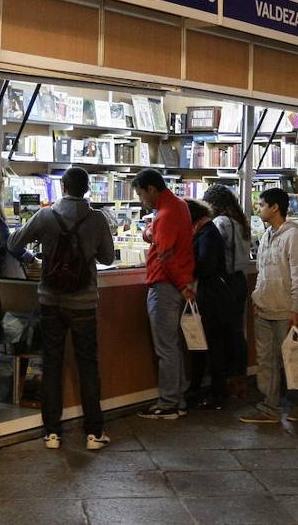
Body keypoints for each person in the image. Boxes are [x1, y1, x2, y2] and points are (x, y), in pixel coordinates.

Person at [10, 167, 115, 448]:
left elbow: (13, 242)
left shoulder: (45, 215)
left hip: (50, 300)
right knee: (88, 366)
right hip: (84, 302)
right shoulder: (97, 219)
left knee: (52, 363)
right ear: (87, 189)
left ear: (63, 188)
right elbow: (107, 257)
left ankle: (52, 432)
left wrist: (36, 253)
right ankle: (94, 432)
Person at [239, 188, 298, 424]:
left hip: (286, 309)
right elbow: (262, 271)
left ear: (275, 207)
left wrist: (296, 308)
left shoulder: (294, 236)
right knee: (266, 360)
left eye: (261, 204)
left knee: (291, 358)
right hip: (265, 306)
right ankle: (269, 406)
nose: (258, 209)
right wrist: (258, 298)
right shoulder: (267, 236)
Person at [132, 169, 196, 419]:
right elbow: (156, 237)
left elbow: (166, 257)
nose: (141, 200)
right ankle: (177, 398)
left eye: (140, 194)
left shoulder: (165, 215)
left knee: (166, 347)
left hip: (165, 286)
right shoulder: (178, 206)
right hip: (177, 284)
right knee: (173, 345)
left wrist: (181, 285)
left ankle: (168, 402)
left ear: (151, 189)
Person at [185, 198, 237, 410]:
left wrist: (188, 267)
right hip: (216, 296)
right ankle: (206, 389)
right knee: (211, 344)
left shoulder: (206, 233)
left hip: (211, 297)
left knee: (210, 345)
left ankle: (213, 392)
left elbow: (205, 264)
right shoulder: (209, 230)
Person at [202, 184, 253, 398]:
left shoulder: (220, 223)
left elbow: (215, 252)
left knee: (220, 334)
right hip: (240, 280)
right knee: (236, 332)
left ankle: (221, 383)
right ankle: (238, 378)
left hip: (225, 281)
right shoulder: (240, 222)